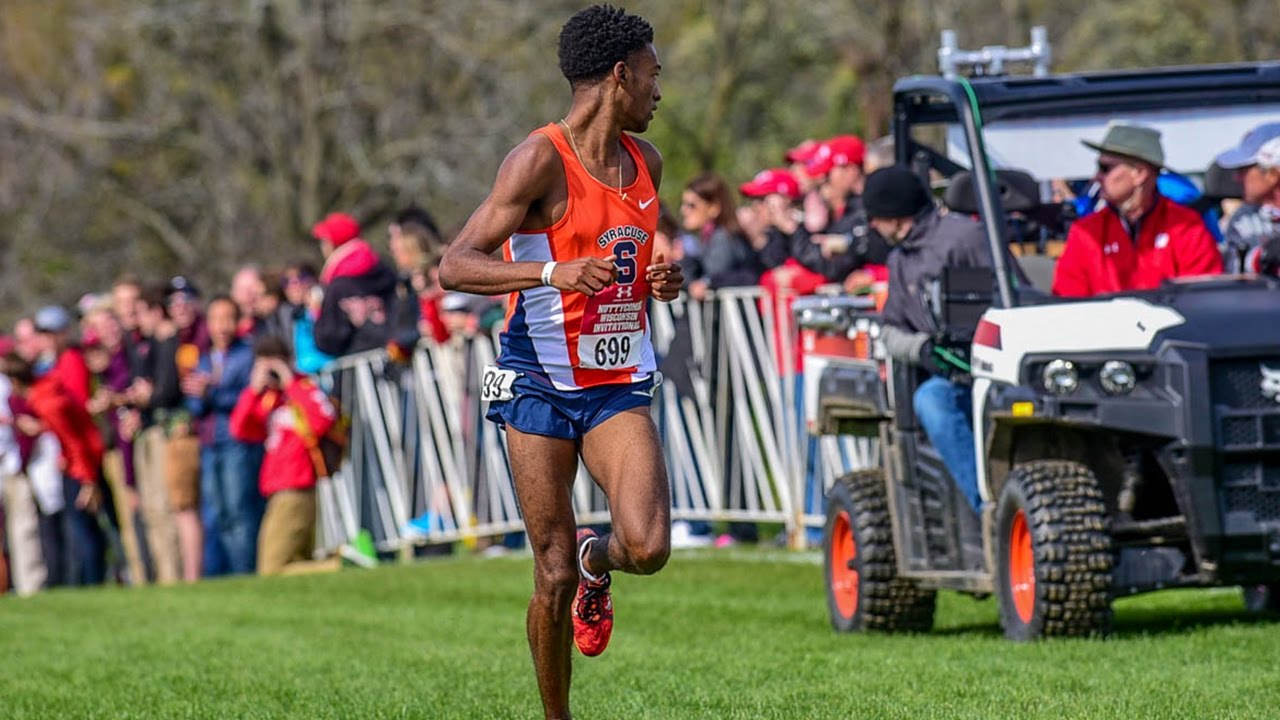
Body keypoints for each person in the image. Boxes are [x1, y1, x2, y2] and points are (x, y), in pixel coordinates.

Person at [436, 6, 681, 718]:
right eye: (652, 73)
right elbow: (456, 265)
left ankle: (596, 558)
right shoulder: (538, 158)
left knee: (649, 545)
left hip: (614, 383)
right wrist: (551, 275)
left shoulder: (648, 164)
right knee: (549, 574)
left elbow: (624, 266)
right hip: (538, 380)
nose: (658, 90)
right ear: (618, 75)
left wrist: (658, 284)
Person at [871, 166, 992, 514]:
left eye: (876, 216)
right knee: (931, 400)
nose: (874, 226)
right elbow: (890, 330)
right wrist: (922, 348)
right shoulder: (899, 260)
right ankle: (987, 508)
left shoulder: (963, 237)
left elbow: (1011, 294)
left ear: (895, 215)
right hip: (950, 377)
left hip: (994, 366)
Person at [1052, 122, 1222, 297]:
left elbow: (1203, 298)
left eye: (1105, 169)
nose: (1096, 177)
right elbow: (1068, 300)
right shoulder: (1085, 232)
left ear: (1139, 173)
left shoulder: (1186, 227)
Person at [229, 335, 337, 575]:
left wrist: (290, 381)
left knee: (272, 569)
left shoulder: (304, 387)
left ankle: (340, 565)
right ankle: (335, 564)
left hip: (297, 487)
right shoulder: (269, 399)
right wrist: (253, 390)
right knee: (296, 560)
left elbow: (322, 421)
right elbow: (240, 429)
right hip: (278, 488)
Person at [184, 296, 260, 577]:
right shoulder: (203, 359)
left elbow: (247, 397)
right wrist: (200, 395)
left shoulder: (246, 355)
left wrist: (212, 393)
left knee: (238, 510)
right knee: (215, 514)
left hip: (236, 442)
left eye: (228, 318)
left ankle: (245, 571)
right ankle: (221, 573)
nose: (222, 326)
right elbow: (193, 402)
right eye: (216, 319)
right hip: (209, 443)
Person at [311, 212, 399, 357]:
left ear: (333, 243)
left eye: (324, 241)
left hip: (360, 369)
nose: (322, 247)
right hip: (395, 358)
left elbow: (328, 339)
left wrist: (317, 312)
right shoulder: (384, 269)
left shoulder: (338, 285)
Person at [1215, 125, 1280, 274]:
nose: (1237, 178)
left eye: (1244, 169)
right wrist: (1263, 256)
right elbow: (1235, 273)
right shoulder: (1242, 219)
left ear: (1273, 174)